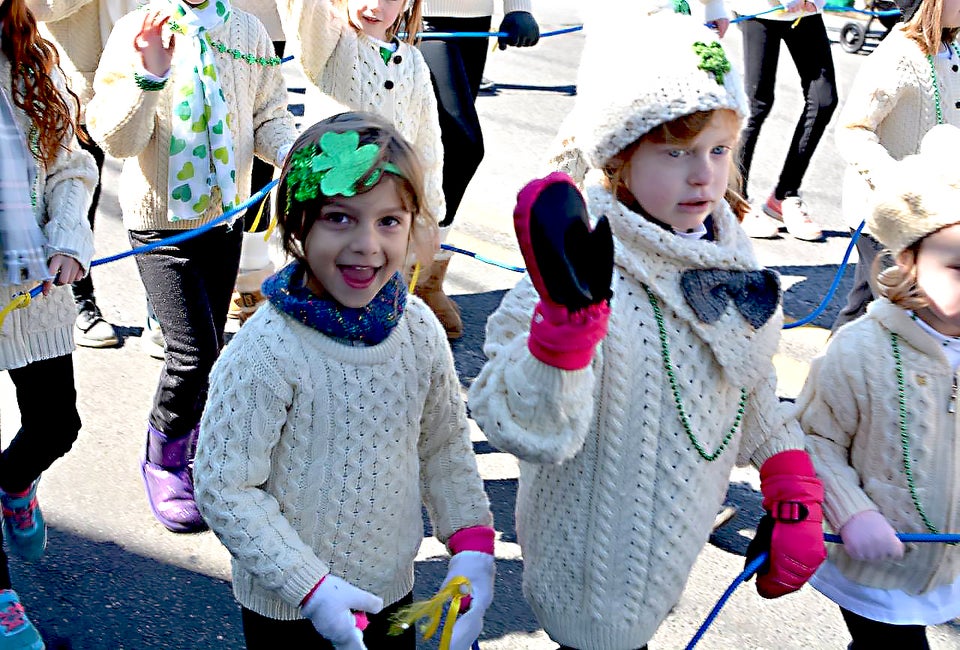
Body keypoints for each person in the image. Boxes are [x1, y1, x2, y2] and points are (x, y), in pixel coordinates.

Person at [468, 11, 826, 650]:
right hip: (590, 561)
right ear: (620, 158)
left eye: (719, 150)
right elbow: (508, 415)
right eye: (676, 152)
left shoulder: (729, 254)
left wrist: (790, 476)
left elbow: (747, 380)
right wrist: (562, 338)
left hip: (670, 545)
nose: (704, 175)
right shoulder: (578, 267)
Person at [194, 112, 495, 650]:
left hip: (390, 591)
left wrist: (471, 543)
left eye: (389, 221)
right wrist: (310, 588)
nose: (367, 244)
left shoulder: (418, 329)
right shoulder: (265, 351)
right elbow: (225, 485)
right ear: (296, 224)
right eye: (339, 218)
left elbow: (444, 444)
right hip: (289, 607)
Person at [86, 0, 298, 533]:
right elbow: (116, 140)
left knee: (212, 347)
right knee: (192, 352)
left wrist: (297, 154)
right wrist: (148, 76)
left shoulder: (246, 30)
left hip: (224, 214)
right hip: (160, 222)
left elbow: (269, 113)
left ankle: (194, 436)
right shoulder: (140, 27)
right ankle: (162, 456)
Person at [799, 124, 960, 650]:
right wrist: (852, 511)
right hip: (878, 566)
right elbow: (814, 439)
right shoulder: (861, 351)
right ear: (909, 260)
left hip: (952, 562)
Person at [0, 0, 97, 646]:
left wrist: (68, 238)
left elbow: (73, 166)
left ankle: (11, 483)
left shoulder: (32, 59)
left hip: (32, 288)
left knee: (57, 424)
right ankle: (3, 597)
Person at [279, 0, 461, 337]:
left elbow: (428, 146)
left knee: (377, 299)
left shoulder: (415, 63)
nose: (375, 5)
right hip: (330, 209)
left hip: (384, 218)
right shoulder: (330, 43)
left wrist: (430, 215)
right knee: (318, 298)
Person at [830, 0, 960, 331]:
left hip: (928, 216)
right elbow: (853, 130)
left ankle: (835, 372)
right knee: (901, 318)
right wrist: (893, 182)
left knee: (865, 310)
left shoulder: (951, 52)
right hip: (884, 213)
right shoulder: (897, 56)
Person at [24, 0, 145, 348]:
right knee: (78, 193)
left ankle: (160, 312)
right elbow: (37, 7)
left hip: (154, 81)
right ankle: (82, 302)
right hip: (80, 87)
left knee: (160, 193)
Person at [418, 0, 540, 337]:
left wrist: (518, 6)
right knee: (462, 145)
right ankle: (410, 271)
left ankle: (424, 277)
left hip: (476, 18)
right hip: (418, 15)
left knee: (441, 152)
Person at [733, 0, 836, 241]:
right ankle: (735, 202)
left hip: (806, 11)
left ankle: (784, 196)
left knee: (823, 100)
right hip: (761, 8)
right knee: (757, 103)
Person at [229, 0, 287, 323]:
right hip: (193, 16)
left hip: (266, 16)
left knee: (259, 151)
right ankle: (166, 299)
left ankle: (250, 281)